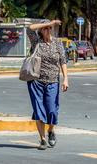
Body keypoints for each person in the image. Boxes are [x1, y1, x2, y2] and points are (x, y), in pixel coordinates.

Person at [26, 19, 69, 150]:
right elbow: (29, 28)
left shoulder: (57, 43)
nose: (48, 30)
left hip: (52, 81)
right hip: (36, 81)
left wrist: (65, 78)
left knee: (52, 111)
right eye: (45, 28)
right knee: (39, 110)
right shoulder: (36, 42)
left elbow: (63, 60)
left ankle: (50, 130)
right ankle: (42, 139)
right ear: (41, 30)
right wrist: (48, 23)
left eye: (50, 28)